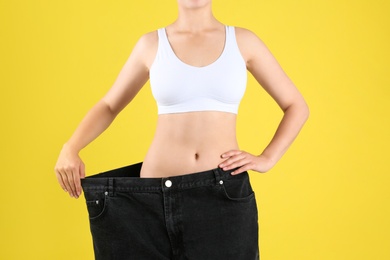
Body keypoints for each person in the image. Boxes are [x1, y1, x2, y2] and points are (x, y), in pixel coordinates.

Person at [55, 0, 309, 259]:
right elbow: (109, 105)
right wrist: (70, 147)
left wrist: (267, 158)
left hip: (221, 197)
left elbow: (296, 105)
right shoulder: (151, 44)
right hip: (151, 198)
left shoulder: (244, 42)